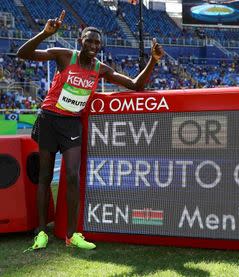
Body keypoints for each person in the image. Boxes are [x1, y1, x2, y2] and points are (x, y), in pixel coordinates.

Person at [17, 10, 164, 251]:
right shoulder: (65, 56)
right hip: (49, 119)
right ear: (80, 42)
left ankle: (71, 234)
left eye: (97, 42)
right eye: (89, 41)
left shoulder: (100, 68)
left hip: (72, 123)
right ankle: (41, 231)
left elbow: (136, 85)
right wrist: (45, 33)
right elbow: (24, 54)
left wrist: (153, 61)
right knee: (44, 176)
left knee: (73, 175)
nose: (94, 45)